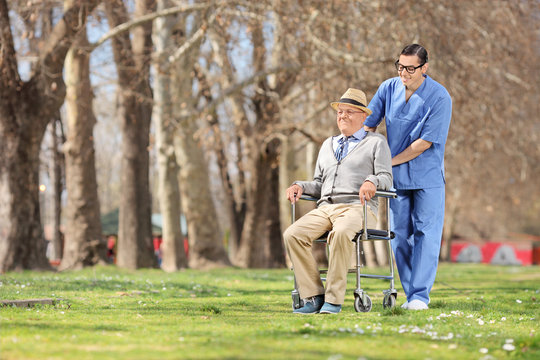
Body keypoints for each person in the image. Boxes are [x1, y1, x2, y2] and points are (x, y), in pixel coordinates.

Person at [284, 88, 393, 314]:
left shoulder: (376, 142)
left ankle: (333, 299)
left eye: (349, 112)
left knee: (341, 232)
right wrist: (300, 186)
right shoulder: (327, 145)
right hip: (325, 209)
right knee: (293, 234)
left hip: (358, 208)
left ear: (364, 116)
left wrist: (371, 181)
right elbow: (319, 184)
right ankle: (313, 296)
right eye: (339, 112)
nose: (342, 116)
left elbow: (386, 177)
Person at [364, 44, 452, 310]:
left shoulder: (439, 97)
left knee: (426, 233)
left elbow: (424, 143)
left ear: (424, 68)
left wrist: (387, 162)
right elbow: (369, 123)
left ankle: (420, 296)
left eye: (410, 68)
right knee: (400, 235)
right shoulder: (388, 88)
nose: (404, 72)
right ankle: (409, 293)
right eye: (400, 66)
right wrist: (361, 149)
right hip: (397, 179)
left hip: (427, 178)